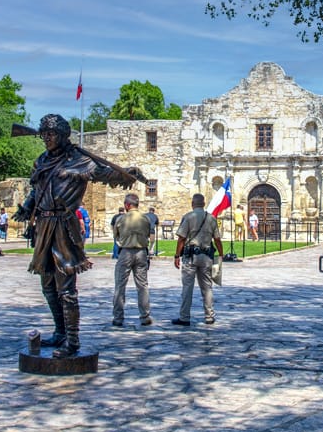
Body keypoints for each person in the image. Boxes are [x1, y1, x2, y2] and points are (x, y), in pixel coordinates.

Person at [12, 114, 146, 358]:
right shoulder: (41, 160)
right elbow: (37, 188)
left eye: (51, 134)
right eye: (44, 134)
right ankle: (60, 332)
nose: (46, 139)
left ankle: (72, 341)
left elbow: (105, 173)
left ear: (63, 136)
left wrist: (126, 173)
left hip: (64, 226)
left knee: (66, 287)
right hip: (44, 225)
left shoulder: (80, 161)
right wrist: (27, 206)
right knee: (48, 284)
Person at [172, 193, 224, 326]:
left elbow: (181, 238)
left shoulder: (188, 217)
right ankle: (209, 316)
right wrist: (221, 254)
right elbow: (217, 239)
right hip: (206, 256)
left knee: (187, 288)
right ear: (204, 203)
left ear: (192, 203)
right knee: (207, 287)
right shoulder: (211, 218)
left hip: (190, 256)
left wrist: (177, 255)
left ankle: (184, 317)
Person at [112, 193, 153, 327]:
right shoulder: (145, 219)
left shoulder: (121, 219)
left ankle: (118, 317)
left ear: (127, 205)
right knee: (142, 286)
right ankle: (145, 316)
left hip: (126, 252)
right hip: (141, 251)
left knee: (120, 285)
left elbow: (116, 236)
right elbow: (148, 234)